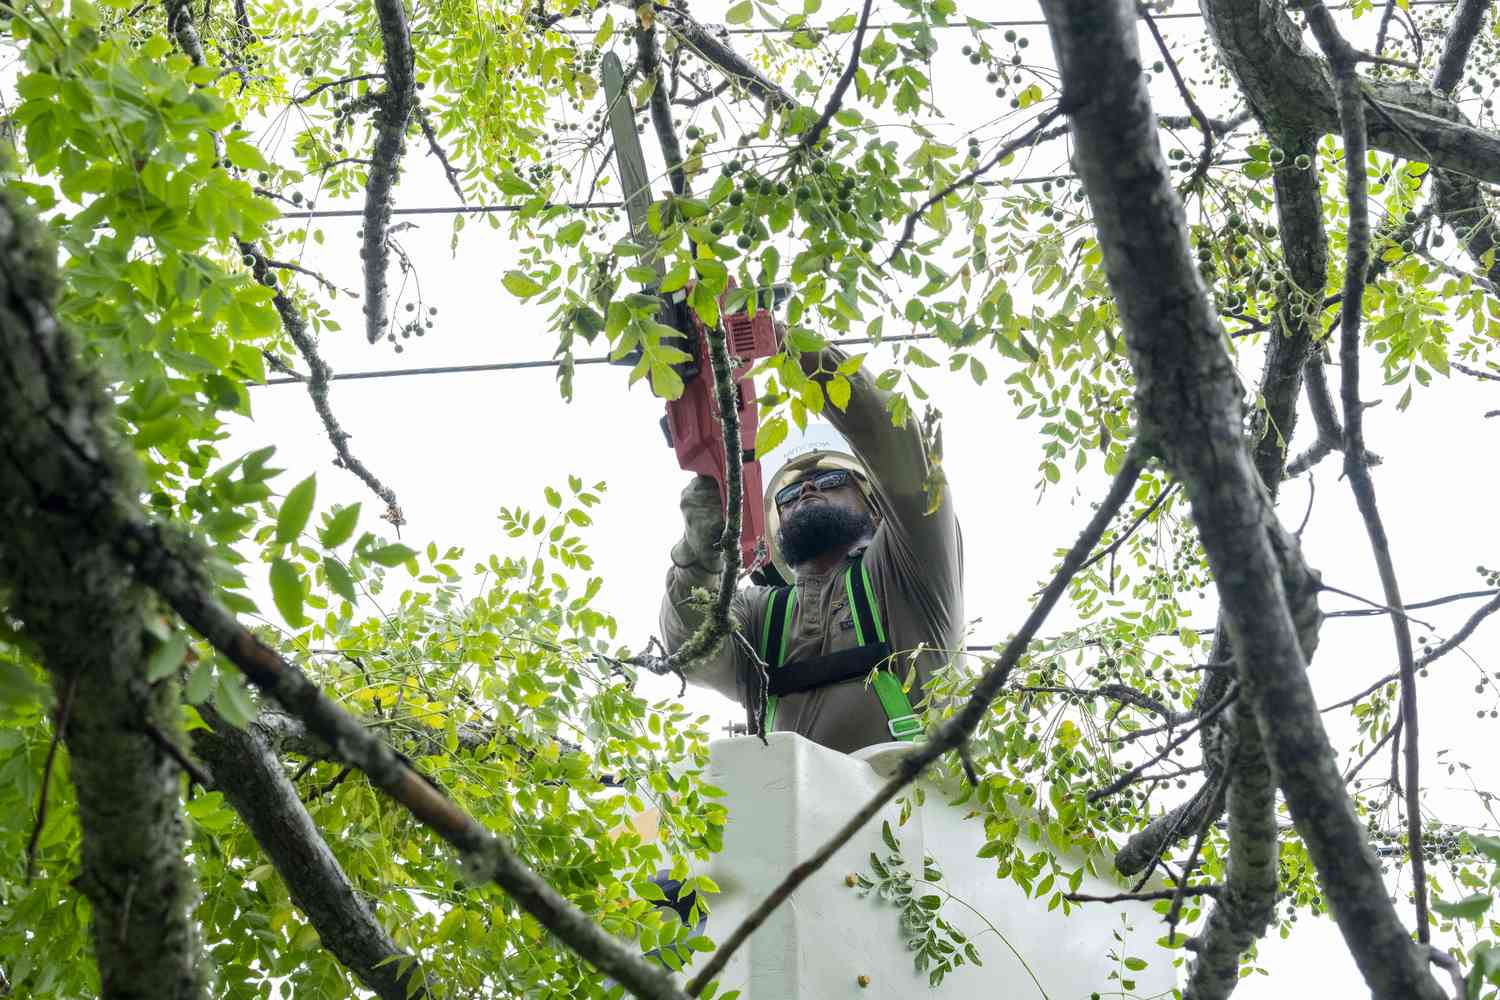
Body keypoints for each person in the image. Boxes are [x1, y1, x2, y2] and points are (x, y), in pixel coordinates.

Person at [660, 345, 963, 754]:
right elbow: (691, 646)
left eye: (830, 479)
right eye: (786, 494)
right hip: (790, 813)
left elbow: (897, 450)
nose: (805, 488)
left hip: (903, 811)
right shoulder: (762, 616)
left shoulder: (906, 575)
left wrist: (789, 346)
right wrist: (702, 544)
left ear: (876, 510)